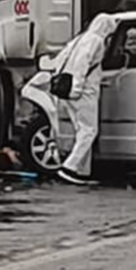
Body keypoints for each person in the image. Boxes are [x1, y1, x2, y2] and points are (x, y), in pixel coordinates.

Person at [52, 14, 118, 185]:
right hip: (83, 92)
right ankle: (70, 167)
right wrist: (77, 86)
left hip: (67, 91)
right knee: (89, 131)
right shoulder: (96, 41)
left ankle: (82, 172)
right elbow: (83, 62)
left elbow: (60, 59)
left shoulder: (80, 38)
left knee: (81, 131)